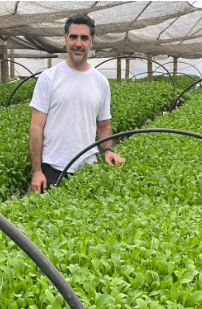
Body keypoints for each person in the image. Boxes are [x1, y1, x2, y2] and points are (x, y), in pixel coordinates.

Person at [29, 13, 125, 192]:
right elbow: (36, 128)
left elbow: (104, 126)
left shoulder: (101, 82)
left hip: (87, 169)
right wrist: (36, 171)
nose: (78, 43)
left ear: (91, 42)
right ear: (65, 39)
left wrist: (108, 150)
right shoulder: (48, 78)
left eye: (84, 38)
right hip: (52, 168)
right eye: (73, 37)